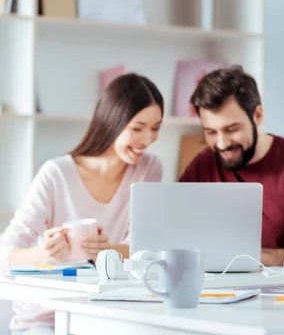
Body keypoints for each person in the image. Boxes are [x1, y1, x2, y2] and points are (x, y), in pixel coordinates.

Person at [0, 73, 164, 335]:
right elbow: (6, 253)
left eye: (155, 128)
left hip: (107, 314)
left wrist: (107, 251)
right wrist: (46, 253)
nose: (148, 139)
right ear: (113, 121)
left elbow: (143, 249)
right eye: (137, 128)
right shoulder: (56, 173)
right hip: (46, 318)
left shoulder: (149, 169)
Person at [179, 65, 284, 270]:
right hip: (220, 290)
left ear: (258, 115)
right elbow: (176, 237)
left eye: (232, 129)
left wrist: (259, 258)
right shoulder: (203, 165)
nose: (222, 143)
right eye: (210, 132)